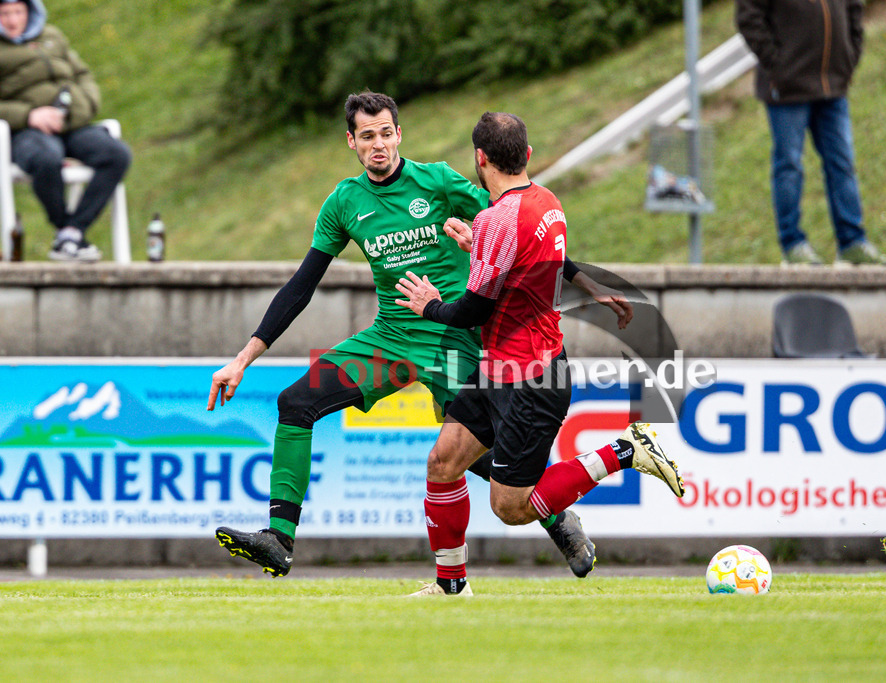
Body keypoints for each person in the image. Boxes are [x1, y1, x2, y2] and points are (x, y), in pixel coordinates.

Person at [208, 92, 634, 579]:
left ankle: (558, 519)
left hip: (452, 337)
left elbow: (521, 231)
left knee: (475, 459)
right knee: (295, 403)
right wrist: (243, 358)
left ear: (399, 134)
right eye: (367, 136)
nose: (378, 144)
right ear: (351, 142)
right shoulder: (344, 202)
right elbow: (301, 286)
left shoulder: (438, 181)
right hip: (390, 340)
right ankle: (279, 539)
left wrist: (587, 284)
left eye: (385, 133)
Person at [395, 112, 685, 597]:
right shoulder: (547, 202)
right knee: (443, 462)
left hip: (530, 380)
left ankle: (625, 451)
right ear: (527, 154)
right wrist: (587, 283)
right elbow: (539, 261)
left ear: (480, 158)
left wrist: (429, 306)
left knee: (511, 507)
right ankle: (451, 587)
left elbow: (473, 310)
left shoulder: (497, 218)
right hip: (499, 370)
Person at [735, 0, 886, 266]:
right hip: (787, 87)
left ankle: (852, 243)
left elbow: (854, 8)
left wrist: (849, 57)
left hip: (833, 86)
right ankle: (792, 245)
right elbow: (748, 16)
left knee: (842, 164)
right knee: (789, 165)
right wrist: (779, 66)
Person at [0, 0, 131, 262]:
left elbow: (83, 74)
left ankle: (72, 232)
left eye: (18, 12)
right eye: (4, 13)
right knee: (47, 159)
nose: (12, 20)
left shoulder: (52, 36)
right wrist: (29, 115)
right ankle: (66, 231)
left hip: (72, 125)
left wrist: (85, 104)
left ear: (29, 11)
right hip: (26, 132)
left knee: (117, 155)